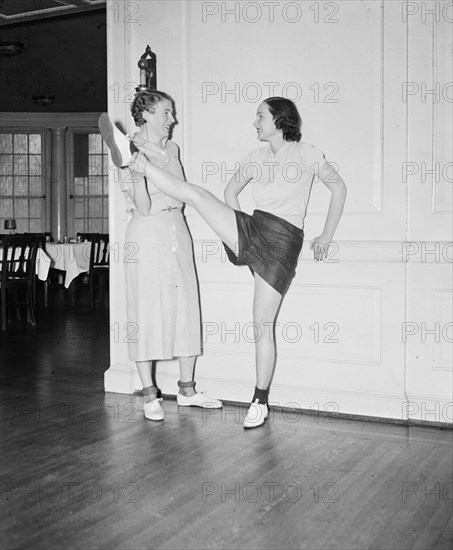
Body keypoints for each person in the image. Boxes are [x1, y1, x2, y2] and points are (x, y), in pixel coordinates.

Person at [100, 96, 347, 429]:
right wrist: (234, 236)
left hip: (283, 241)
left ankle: (260, 401)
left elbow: (339, 188)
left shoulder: (308, 153)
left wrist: (326, 236)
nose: (254, 123)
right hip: (252, 227)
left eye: (260, 117)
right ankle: (138, 163)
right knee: (199, 195)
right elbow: (230, 192)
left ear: (279, 120)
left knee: (262, 324)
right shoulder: (255, 157)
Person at [98, 91, 222, 421]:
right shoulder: (132, 148)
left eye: (172, 113)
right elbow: (142, 205)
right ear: (147, 114)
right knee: (147, 309)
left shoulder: (172, 148)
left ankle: (187, 390)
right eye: (166, 113)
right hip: (147, 228)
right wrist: (138, 176)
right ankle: (149, 394)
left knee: (185, 306)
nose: (172, 119)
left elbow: (180, 191)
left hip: (176, 228)